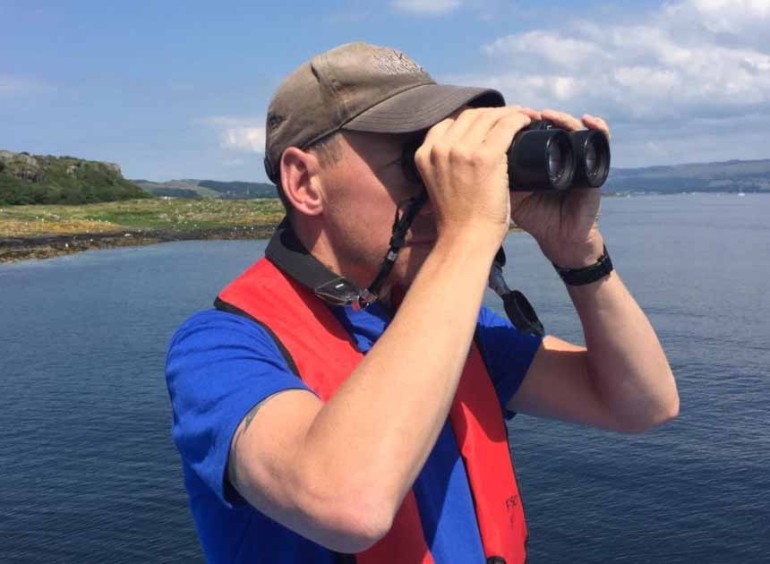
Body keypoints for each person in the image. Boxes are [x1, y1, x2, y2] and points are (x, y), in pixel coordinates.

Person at [165, 42, 679, 563]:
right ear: (305, 182)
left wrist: (579, 254)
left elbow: (642, 404)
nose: (440, 190)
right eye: (418, 163)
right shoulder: (220, 349)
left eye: (446, 162)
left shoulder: (454, 328)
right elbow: (348, 501)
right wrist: (471, 230)